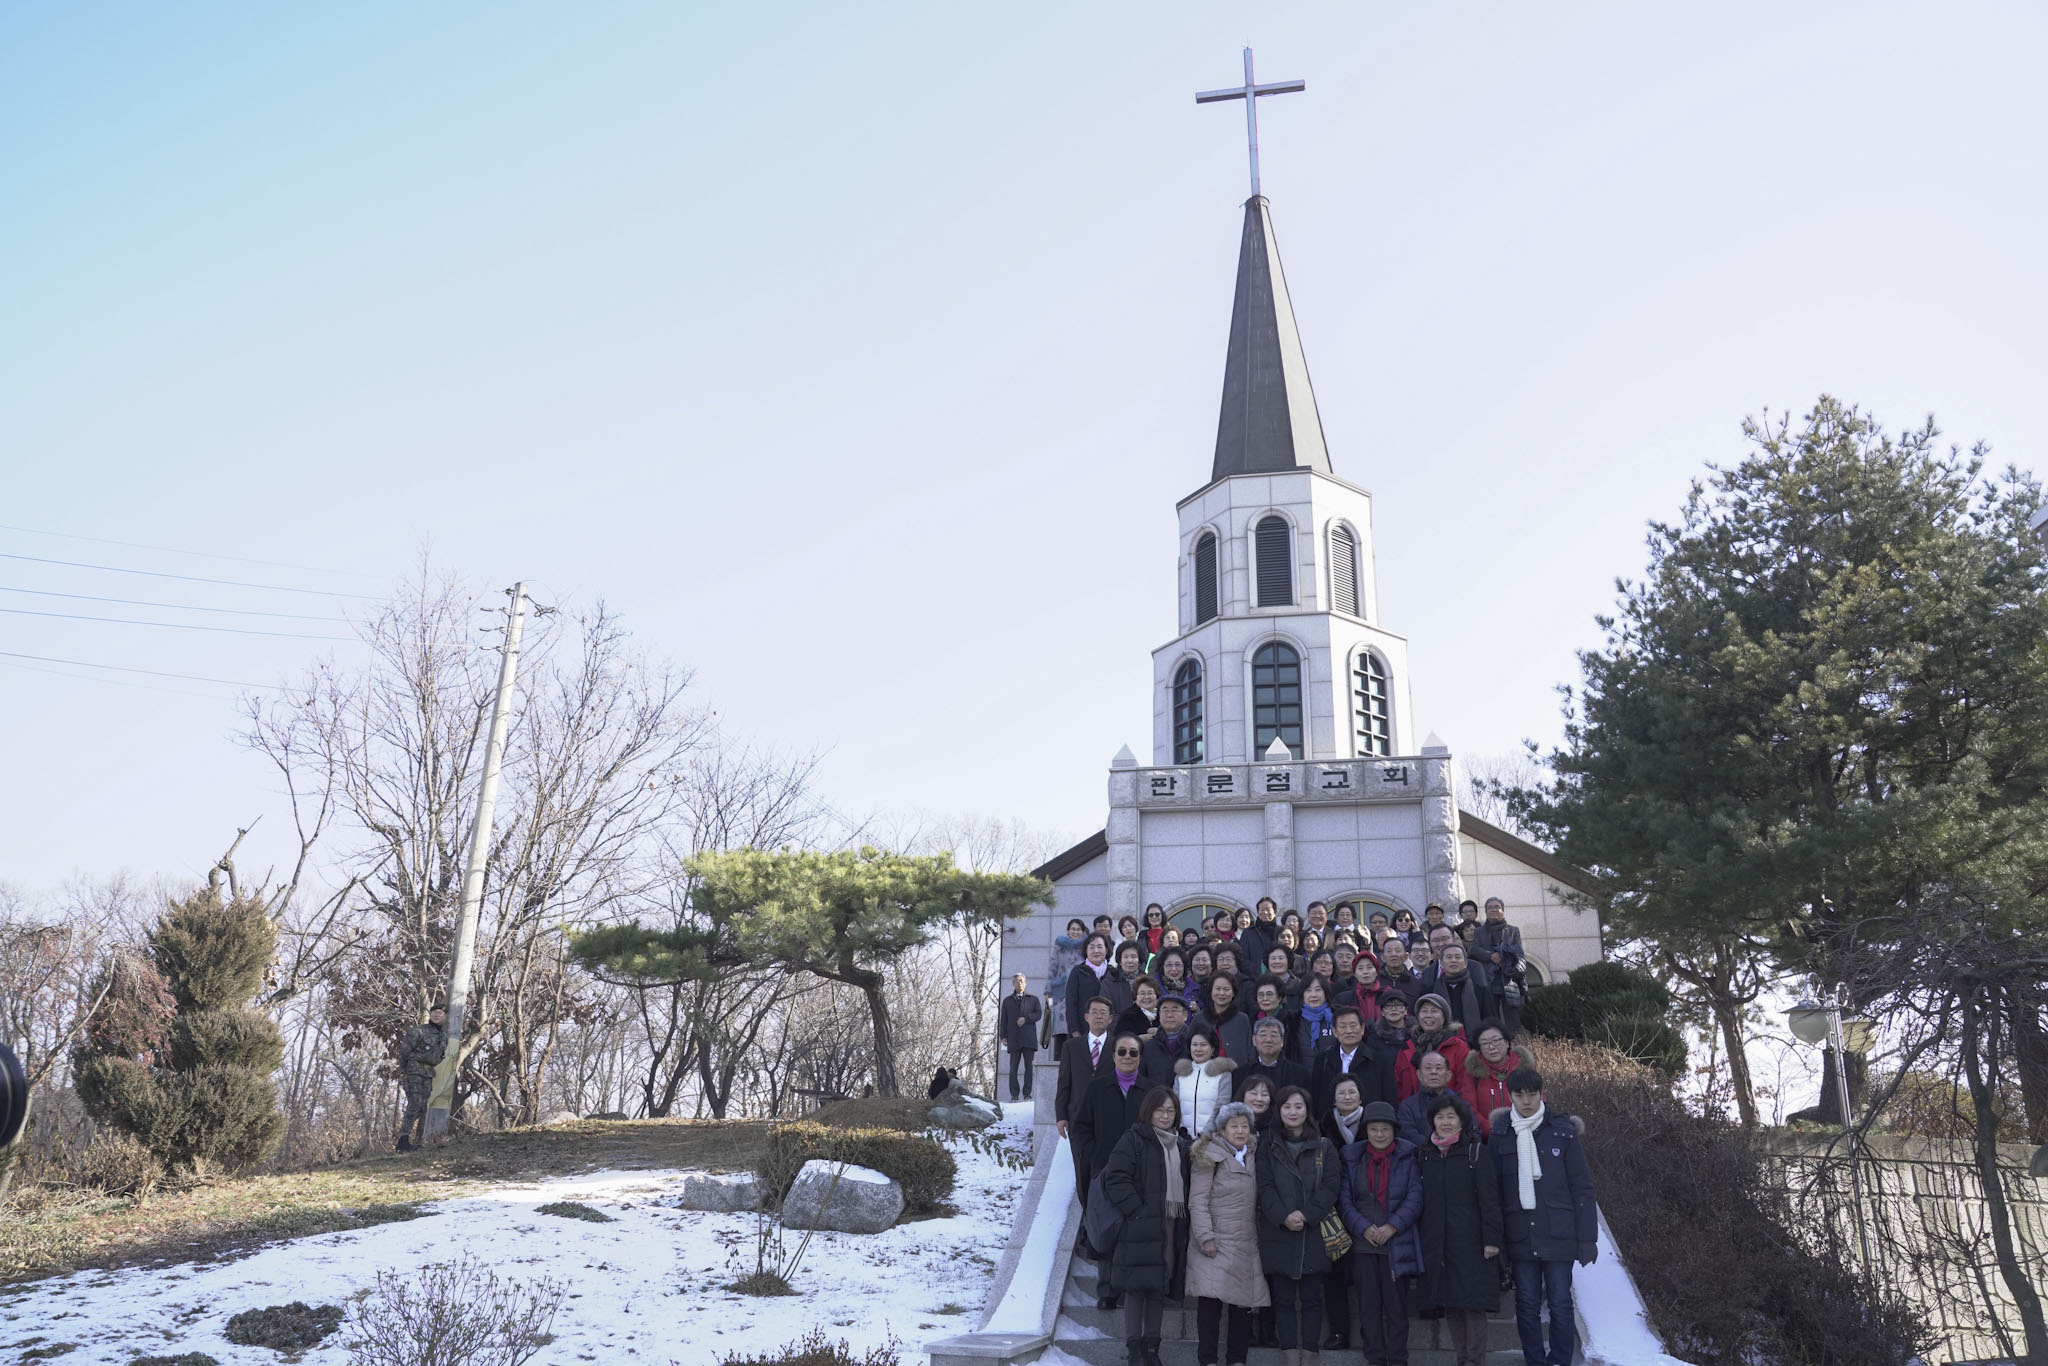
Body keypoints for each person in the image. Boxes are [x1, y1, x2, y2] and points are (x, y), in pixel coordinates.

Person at [1489, 1066, 1598, 1366]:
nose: (1526, 1101)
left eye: (1532, 1094)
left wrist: (1587, 1238)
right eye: (1519, 1095)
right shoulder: (1500, 1135)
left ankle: (1560, 1360)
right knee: (1526, 1304)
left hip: (1559, 1232)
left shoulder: (1563, 1131)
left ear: (1541, 1094)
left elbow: (1583, 1188)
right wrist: (1496, 1239)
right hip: (1520, 1232)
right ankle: (1534, 1361)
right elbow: (1493, 1193)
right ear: (1509, 1095)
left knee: (1561, 1304)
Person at [1100, 1086, 1193, 1366]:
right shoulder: (1134, 1139)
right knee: (1136, 1288)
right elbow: (1115, 1178)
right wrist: (1136, 1210)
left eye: (1170, 1110)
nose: (1165, 1116)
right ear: (1148, 1111)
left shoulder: (1181, 1144)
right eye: (1159, 1110)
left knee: (1158, 1285)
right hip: (1139, 1224)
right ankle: (1134, 1350)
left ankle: (1152, 1348)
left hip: (1170, 1223)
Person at [1258, 1086, 1341, 1366]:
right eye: (1287, 1107)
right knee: (1281, 1298)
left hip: (1313, 1230)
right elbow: (1264, 1186)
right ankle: (1290, 1355)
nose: (1293, 1112)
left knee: (1311, 1299)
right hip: (1278, 1230)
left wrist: (1307, 1215)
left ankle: (1310, 1354)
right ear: (1278, 1111)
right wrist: (1283, 1216)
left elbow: (1331, 1186)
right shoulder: (1266, 1146)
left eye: (1298, 1107)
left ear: (1307, 1111)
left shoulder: (1324, 1146)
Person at [1338, 1100, 1423, 1366]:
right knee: (1369, 1306)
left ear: (1393, 1130)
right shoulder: (1353, 1159)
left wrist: (1391, 1227)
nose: (1379, 1134)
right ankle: (1374, 1357)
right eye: (1374, 1129)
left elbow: (1415, 1197)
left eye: (1385, 1129)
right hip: (1363, 1244)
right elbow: (1345, 1200)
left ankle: (1398, 1358)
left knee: (1396, 1308)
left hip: (1395, 1244)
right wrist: (1363, 1227)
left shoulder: (1407, 1158)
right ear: (1367, 1131)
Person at [1188, 1101, 1269, 1366]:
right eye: (1234, 1126)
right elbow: (1197, 1200)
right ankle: (1208, 1360)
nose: (1240, 1131)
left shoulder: (1253, 1155)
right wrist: (1205, 1237)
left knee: (1243, 1305)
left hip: (1245, 1240)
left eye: (1245, 1125)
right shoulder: (1208, 1154)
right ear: (1222, 1130)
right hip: (1216, 1240)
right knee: (1211, 1303)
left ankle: (1237, 1359)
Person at [1074, 1033, 1153, 1303]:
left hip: (1139, 1175)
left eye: (1133, 1053)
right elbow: (1080, 1127)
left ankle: (1129, 1290)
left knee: (1132, 1234)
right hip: (1104, 1173)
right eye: (1122, 1052)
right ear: (1113, 1056)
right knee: (1106, 1230)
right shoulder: (1098, 1088)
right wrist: (1095, 1154)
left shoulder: (1150, 1092)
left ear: (1140, 1058)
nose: (1127, 1057)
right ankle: (1107, 1291)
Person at [1311, 1005, 1397, 1112]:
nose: (1349, 1031)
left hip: (1368, 1124)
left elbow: (1389, 1099)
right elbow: (1316, 1098)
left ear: (1362, 1029)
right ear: (1334, 1032)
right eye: (1343, 1026)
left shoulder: (1380, 1061)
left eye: (1353, 1025)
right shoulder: (1323, 1060)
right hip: (1331, 1125)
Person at [1056, 997, 1117, 1138]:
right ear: (1086, 1017)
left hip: (1109, 1116)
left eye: (1103, 1012)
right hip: (1077, 1117)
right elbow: (1063, 1084)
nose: (1099, 1016)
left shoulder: (1118, 1046)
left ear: (1110, 1019)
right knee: (1080, 1159)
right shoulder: (1071, 1047)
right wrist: (1061, 1116)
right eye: (1094, 1012)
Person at [1397, 1050, 1478, 1145]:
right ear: (1419, 1075)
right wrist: (1435, 1148)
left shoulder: (1461, 1103)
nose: (1433, 1072)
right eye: (1428, 1068)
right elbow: (1408, 1135)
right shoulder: (1408, 1106)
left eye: (1438, 1068)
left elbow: (1473, 1132)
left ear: (1448, 1075)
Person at [396, 1004, 446, 1152]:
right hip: (414, 1071)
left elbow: (440, 1056)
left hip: (428, 1073)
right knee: (414, 1104)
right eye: (434, 1012)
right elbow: (404, 1051)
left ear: (445, 1017)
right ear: (430, 1014)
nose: (437, 1015)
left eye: (440, 1013)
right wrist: (405, 1070)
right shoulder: (418, 1031)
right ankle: (402, 1141)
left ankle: (415, 1140)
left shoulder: (443, 1036)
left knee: (423, 1107)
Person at [1401, 995, 1473, 1097]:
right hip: (1414, 1110)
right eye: (1424, 1011)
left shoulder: (1458, 1046)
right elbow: (1399, 1086)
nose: (1428, 1016)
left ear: (1444, 1017)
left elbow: (1466, 1087)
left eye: (1434, 1011)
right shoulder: (1408, 1046)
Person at [1174, 1024, 1236, 1140]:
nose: (1198, 1049)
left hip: (1212, 1140)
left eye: (1203, 1045)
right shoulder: (1181, 1074)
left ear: (1213, 1048)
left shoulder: (1223, 1074)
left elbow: (1221, 1108)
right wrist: (1181, 1133)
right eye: (1194, 1045)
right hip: (1182, 1139)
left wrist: (1204, 1136)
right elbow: (1175, 1106)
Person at [1421, 943, 1495, 1041]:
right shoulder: (1431, 992)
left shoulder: (1480, 990)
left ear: (1465, 963)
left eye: (1457, 957)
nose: (1453, 960)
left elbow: (1490, 1020)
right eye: (1449, 957)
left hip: (1475, 1044)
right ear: (1442, 964)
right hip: (1441, 1044)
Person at [1464, 1023, 1528, 1136]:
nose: (1491, 1047)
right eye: (1484, 1043)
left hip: (1524, 1133)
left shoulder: (1524, 1067)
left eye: (1496, 1040)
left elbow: (1538, 1101)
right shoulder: (1472, 1073)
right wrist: (1492, 1131)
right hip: (1488, 1138)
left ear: (1507, 1042)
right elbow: (1469, 1109)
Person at [1475, 897, 1526, 1035]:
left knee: (1513, 1020)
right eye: (1490, 907)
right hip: (1488, 979)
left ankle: (1515, 1047)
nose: (1494, 909)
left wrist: (1501, 955)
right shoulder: (1478, 931)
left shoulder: (1513, 930)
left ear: (1503, 910)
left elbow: (1518, 951)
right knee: (1491, 1020)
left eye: (1497, 906)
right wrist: (1491, 956)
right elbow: (1474, 950)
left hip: (1509, 979)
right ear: (1486, 911)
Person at [1065, 933, 1124, 1043]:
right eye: (1092, 947)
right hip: (1083, 1032)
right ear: (1086, 951)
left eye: (1100, 947)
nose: (1096, 951)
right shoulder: (1078, 972)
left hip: (1110, 1035)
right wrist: (1075, 1031)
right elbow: (1071, 1003)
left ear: (1107, 950)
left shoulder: (1114, 973)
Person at [1240, 1017, 1311, 1097]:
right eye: (1263, 1035)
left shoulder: (1299, 1074)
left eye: (1273, 1035)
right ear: (1254, 1040)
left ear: (1282, 1041)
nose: (1268, 1040)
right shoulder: (1241, 1074)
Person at [1049, 918, 1091, 1052]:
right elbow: (1052, 967)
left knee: (1077, 1021)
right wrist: (1048, 990)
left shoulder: (1086, 946)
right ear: (1068, 931)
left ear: (1083, 931)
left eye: (1078, 929)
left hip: (1080, 989)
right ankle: (1060, 1056)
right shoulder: (1059, 946)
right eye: (1073, 929)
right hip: (1061, 990)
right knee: (1061, 1027)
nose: (1075, 932)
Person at [1002, 973, 1043, 1102]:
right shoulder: (1007, 1001)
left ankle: (1027, 1094)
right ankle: (1014, 1094)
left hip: (1028, 1038)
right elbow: (1004, 1020)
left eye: (1021, 981)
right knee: (1013, 1068)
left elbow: (1038, 1014)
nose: (1019, 983)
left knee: (1029, 1068)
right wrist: (1003, 1036)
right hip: (1014, 1039)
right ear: (1013, 984)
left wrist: (1026, 1019)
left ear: (1025, 983)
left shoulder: (1033, 999)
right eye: (1017, 981)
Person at [1201, 972, 1255, 1063]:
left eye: (1226, 989)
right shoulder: (1200, 1018)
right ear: (1211, 991)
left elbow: (1249, 1051)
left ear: (1233, 993)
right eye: (1217, 989)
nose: (1221, 993)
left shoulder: (1242, 1019)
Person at [1287, 975, 1336, 1061]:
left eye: (1318, 990)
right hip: (1302, 1072)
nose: (1313, 995)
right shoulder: (1292, 1020)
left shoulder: (1336, 1016)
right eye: (1308, 990)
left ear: (1325, 993)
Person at [1117, 974, 1165, 1043]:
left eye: (1150, 993)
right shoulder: (1127, 1016)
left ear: (1156, 996)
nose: (1146, 997)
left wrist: (1161, 1033)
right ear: (1136, 997)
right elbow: (1119, 1040)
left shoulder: (1164, 1014)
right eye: (1142, 993)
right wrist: (1137, 1039)